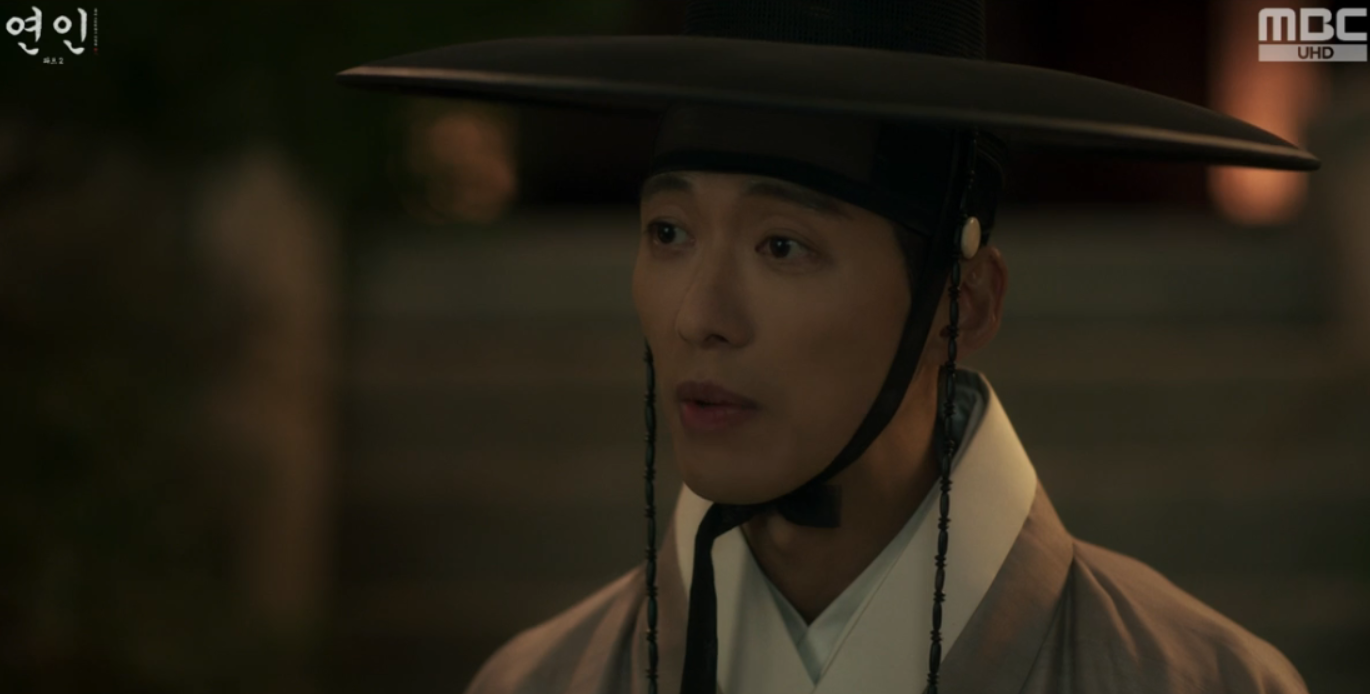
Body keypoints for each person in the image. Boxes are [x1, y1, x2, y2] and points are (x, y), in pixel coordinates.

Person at [338, 1, 1317, 692]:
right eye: (668, 233)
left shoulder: (1200, 678)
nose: (698, 315)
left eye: (782, 246)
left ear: (963, 303)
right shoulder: (540, 680)